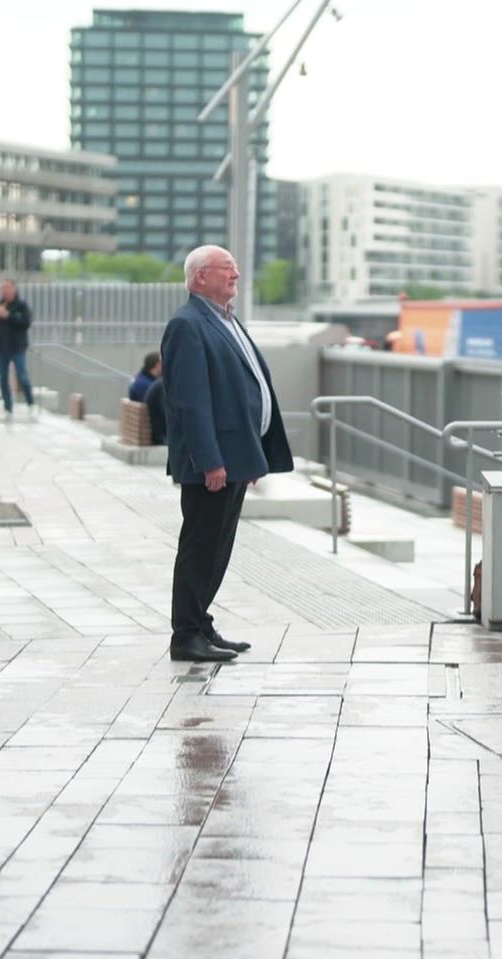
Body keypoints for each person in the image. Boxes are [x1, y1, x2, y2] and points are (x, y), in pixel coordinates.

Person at [161, 245, 293, 663]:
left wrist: (249, 453)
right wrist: (210, 460)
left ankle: (200, 625)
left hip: (234, 457)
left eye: (236, 268)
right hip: (211, 464)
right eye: (226, 268)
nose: (236, 274)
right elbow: (191, 402)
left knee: (218, 547)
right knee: (200, 546)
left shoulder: (224, 320)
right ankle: (185, 635)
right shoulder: (187, 324)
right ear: (200, 277)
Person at [0, 278, 33, 417]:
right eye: (2, 288)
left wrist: (8, 316)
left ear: (14, 289)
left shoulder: (21, 305)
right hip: (1, 347)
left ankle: (30, 401)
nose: (4, 290)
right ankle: (8, 407)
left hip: (17, 347)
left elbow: (25, 323)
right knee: (3, 377)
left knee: (22, 375)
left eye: (7, 287)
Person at [144, 371, 168, 445]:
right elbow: (166, 411)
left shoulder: (162, 382)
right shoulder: (164, 385)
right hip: (160, 435)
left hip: (161, 432)